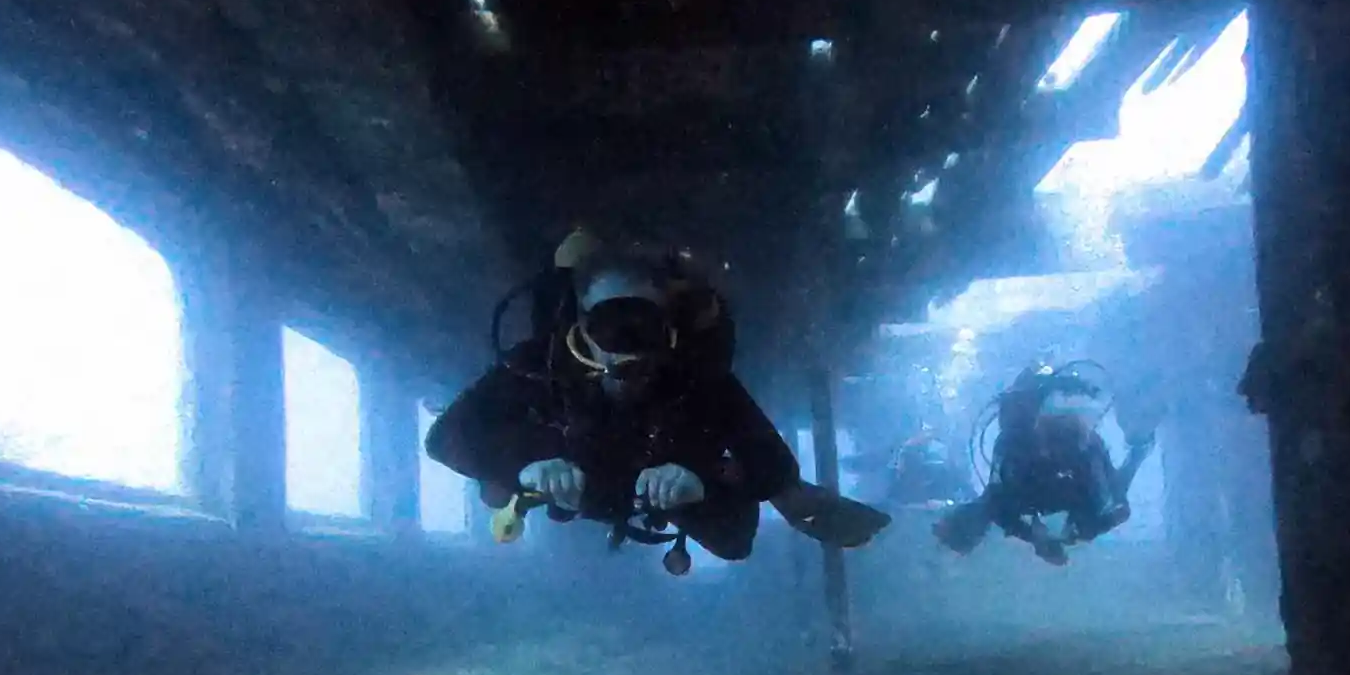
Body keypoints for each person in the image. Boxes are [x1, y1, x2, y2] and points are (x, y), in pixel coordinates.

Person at [426, 235, 887, 561]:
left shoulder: (694, 376)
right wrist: (522, 463)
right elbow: (446, 436)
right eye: (611, 324)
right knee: (493, 487)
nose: (627, 346)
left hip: (661, 491)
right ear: (580, 326)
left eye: (641, 325)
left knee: (733, 539)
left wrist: (700, 482)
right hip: (572, 484)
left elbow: (771, 473)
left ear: (668, 327)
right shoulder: (539, 363)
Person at [933, 363, 1154, 565]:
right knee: (990, 505)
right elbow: (997, 503)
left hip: (1058, 493)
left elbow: (1109, 504)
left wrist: (1079, 531)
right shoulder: (1015, 443)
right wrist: (1035, 538)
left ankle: (1139, 451)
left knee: (1100, 510)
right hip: (1037, 493)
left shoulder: (1083, 446)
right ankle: (1139, 451)